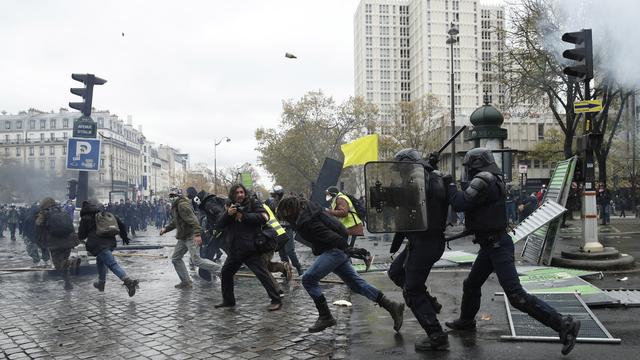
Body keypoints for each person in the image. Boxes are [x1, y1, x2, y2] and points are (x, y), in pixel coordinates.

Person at [444, 148, 580, 355]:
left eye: (468, 167)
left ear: (475, 165)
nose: (467, 172)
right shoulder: (491, 178)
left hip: (497, 246)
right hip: (490, 245)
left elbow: (460, 203)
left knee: (516, 296)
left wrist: (449, 183)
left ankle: (563, 323)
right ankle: (467, 320)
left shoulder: (484, 180)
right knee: (471, 284)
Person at [276, 196, 404, 333]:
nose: (285, 219)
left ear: (290, 210)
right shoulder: (309, 210)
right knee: (356, 284)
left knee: (308, 279)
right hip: (336, 247)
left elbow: (330, 236)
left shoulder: (307, 221)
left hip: (335, 249)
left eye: (285, 215)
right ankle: (392, 306)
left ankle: (325, 317)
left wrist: (347, 249)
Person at [386, 148, 450, 351]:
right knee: (396, 272)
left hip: (425, 242)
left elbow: (418, 202)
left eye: (401, 168)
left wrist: (426, 168)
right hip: (422, 241)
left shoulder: (421, 181)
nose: (400, 173)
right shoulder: (430, 176)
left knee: (412, 291)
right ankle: (429, 302)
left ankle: (436, 336)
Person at [215, 184, 282, 311]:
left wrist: (244, 216)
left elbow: (264, 217)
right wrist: (228, 214)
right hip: (235, 249)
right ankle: (228, 301)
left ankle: (276, 300)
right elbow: (219, 224)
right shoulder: (229, 205)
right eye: (237, 192)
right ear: (232, 194)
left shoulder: (253, 203)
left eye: (242, 192)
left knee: (262, 274)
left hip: (250, 247)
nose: (240, 195)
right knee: (226, 273)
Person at [160, 187, 221, 289]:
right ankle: (186, 282)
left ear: (179, 196)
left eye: (174, 196)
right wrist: (166, 229)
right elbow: (176, 222)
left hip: (191, 235)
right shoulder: (175, 206)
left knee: (196, 260)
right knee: (175, 258)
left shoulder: (182, 205)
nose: (171, 198)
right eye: (170, 196)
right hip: (183, 236)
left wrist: (197, 235)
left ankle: (221, 271)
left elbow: (194, 220)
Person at [77, 200, 139, 296]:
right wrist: (124, 237)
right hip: (110, 243)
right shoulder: (105, 214)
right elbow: (120, 224)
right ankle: (101, 283)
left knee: (112, 264)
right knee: (100, 260)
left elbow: (81, 235)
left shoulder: (85, 218)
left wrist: (81, 237)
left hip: (98, 245)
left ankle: (128, 281)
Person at [325, 187, 374, 271]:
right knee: (345, 249)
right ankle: (360, 260)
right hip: (347, 228)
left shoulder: (340, 199)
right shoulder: (337, 199)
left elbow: (344, 213)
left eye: (329, 194)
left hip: (352, 227)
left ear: (333, 194)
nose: (327, 196)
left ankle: (365, 255)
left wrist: (329, 211)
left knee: (347, 250)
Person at [35, 197, 79, 290]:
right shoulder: (62, 210)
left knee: (58, 265)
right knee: (64, 263)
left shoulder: (44, 213)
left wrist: (41, 241)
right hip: (68, 241)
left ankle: (72, 262)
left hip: (55, 243)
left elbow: (39, 225)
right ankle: (67, 283)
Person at [267, 185, 303, 276]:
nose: (273, 197)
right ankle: (285, 270)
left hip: (287, 228)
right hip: (277, 229)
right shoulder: (272, 203)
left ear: (279, 194)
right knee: (281, 251)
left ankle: (298, 267)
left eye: (275, 195)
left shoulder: (287, 202)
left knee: (289, 250)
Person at [22, 203, 50, 267]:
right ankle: (37, 260)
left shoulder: (41, 218)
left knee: (44, 247)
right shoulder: (29, 219)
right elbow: (26, 229)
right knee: (32, 249)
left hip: (39, 235)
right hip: (31, 236)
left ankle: (45, 260)